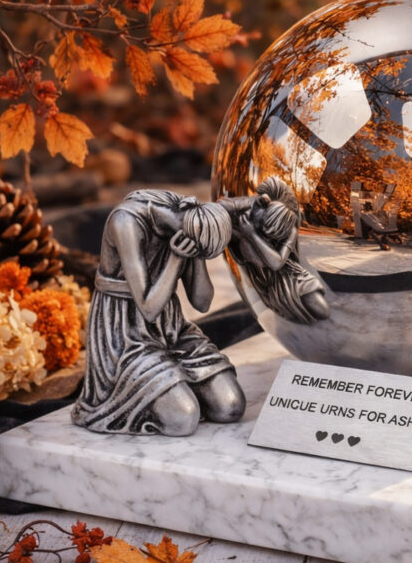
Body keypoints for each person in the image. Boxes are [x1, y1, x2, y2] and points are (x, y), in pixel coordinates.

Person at [72, 189, 248, 436]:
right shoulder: (126, 221)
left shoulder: (189, 222)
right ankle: (161, 391)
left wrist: (197, 257)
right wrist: (176, 259)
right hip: (125, 331)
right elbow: (148, 307)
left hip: (171, 327)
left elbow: (202, 303)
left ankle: (176, 383)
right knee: (182, 419)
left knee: (230, 406)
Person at [229, 177, 330, 324]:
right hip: (267, 279)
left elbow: (276, 263)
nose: (261, 199)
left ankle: (292, 305)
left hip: (292, 277)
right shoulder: (253, 215)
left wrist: (252, 234)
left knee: (323, 311)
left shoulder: (290, 229)